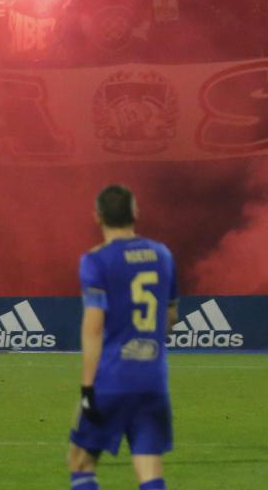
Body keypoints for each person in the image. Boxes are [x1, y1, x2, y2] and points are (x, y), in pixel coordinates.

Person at [68, 184, 174, 490]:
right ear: (135, 213)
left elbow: (93, 327)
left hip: (112, 378)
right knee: (148, 464)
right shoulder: (162, 255)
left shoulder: (96, 260)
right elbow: (169, 318)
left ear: (97, 216)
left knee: (80, 461)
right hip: (153, 379)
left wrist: (88, 387)